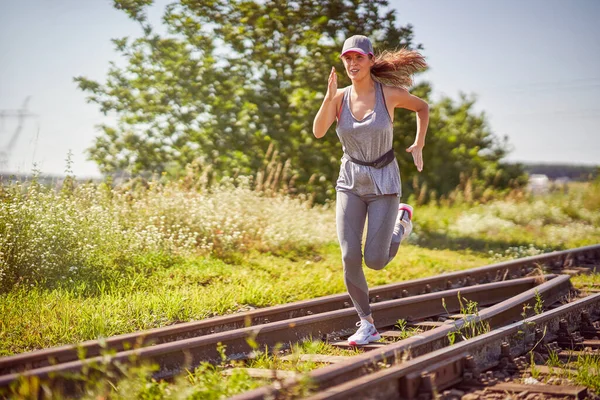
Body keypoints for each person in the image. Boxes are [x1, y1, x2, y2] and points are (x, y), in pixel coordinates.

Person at [312, 35, 429, 345]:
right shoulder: (339, 99)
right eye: (347, 58)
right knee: (350, 255)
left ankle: (399, 227)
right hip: (349, 182)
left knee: (375, 261)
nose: (352, 63)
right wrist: (328, 97)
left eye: (358, 58)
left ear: (370, 59)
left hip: (384, 184)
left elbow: (422, 107)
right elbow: (319, 131)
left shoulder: (388, 94)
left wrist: (418, 144)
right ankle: (367, 323)